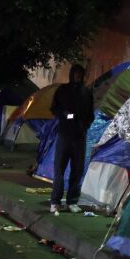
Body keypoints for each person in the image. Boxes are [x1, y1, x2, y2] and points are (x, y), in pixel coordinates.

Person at [49, 64, 94, 214]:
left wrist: (85, 125)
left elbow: (90, 114)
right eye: (75, 73)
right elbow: (54, 108)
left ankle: (72, 201)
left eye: (80, 74)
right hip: (65, 134)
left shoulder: (86, 93)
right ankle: (55, 201)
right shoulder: (63, 90)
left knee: (77, 169)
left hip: (79, 136)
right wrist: (66, 115)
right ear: (71, 74)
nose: (77, 76)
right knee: (59, 169)